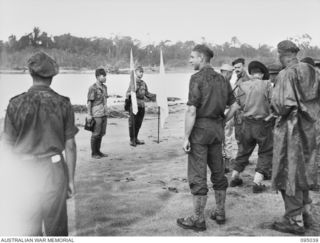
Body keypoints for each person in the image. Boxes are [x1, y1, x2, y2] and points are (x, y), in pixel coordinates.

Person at [2, 52, 78, 236]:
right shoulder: (63, 104)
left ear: (31, 73)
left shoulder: (15, 104)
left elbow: (6, 148)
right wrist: (70, 180)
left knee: (28, 229)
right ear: (51, 77)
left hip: (24, 172)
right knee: (56, 230)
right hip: (53, 171)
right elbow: (70, 146)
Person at [177, 45, 235, 231]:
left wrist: (186, 136)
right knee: (218, 172)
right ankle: (220, 212)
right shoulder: (222, 79)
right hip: (216, 131)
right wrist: (223, 121)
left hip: (200, 131)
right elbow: (235, 106)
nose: (190, 60)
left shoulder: (196, 78)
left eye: (192, 57)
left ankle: (198, 219)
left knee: (197, 173)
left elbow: (191, 110)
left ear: (202, 58)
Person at [270, 40, 320, 235]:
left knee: (288, 172)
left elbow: (283, 105)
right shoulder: (313, 71)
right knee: (304, 170)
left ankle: (294, 219)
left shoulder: (286, 74)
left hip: (291, 130)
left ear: (281, 53)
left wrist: (273, 105)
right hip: (310, 128)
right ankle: (306, 212)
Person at [226, 61, 273, 193]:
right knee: (265, 152)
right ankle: (257, 182)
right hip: (262, 123)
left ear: (251, 73)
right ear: (262, 74)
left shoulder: (242, 85)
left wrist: (223, 120)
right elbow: (273, 104)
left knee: (243, 151)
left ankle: (235, 176)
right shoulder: (267, 84)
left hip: (246, 123)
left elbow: (235, 106)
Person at [126, 66, 156, 147]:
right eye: (140, 72)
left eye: (142, 72)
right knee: (132, 123)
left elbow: (147, 94)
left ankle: (136, 138)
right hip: (134, 105)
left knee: (139, 123)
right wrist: (127, 105)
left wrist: (157, 96)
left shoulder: (143, 83)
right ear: (135, 72)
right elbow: (128, 93)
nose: (141, 73)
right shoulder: (133, 83)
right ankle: (132, 140)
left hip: (141, 105)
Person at [87, 68, 108, 159]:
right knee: (95, 133)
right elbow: (89, 102)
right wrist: (89, 114)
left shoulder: (104, 87)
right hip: (96, 114)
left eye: (105, 76)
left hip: (104, 113)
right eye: (103, 76)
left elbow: (105, 100)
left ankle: (98, 151)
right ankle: (94, 153)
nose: (105, 78)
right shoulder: (93, 88)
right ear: (98, 76)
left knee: (101, 133)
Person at [231, 58, 251, 152]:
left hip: (243, 113)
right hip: (238, 112)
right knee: (239, 136)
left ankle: (242, 158)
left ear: (244, 66)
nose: (236, 69)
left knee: (242, 137)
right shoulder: (239, 79)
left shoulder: (245, 79)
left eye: (238, 67)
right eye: (235, 68)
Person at [220, 64, 235, 173]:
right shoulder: (226, 83)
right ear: (228, 73)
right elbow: (234, 104)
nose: (231, 76)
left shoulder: (214, 81)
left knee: (221, 139)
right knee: (227, 138)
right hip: (225, 112)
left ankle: (222, 163)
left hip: (216, 114)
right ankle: (226, 164)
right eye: (231, 73)